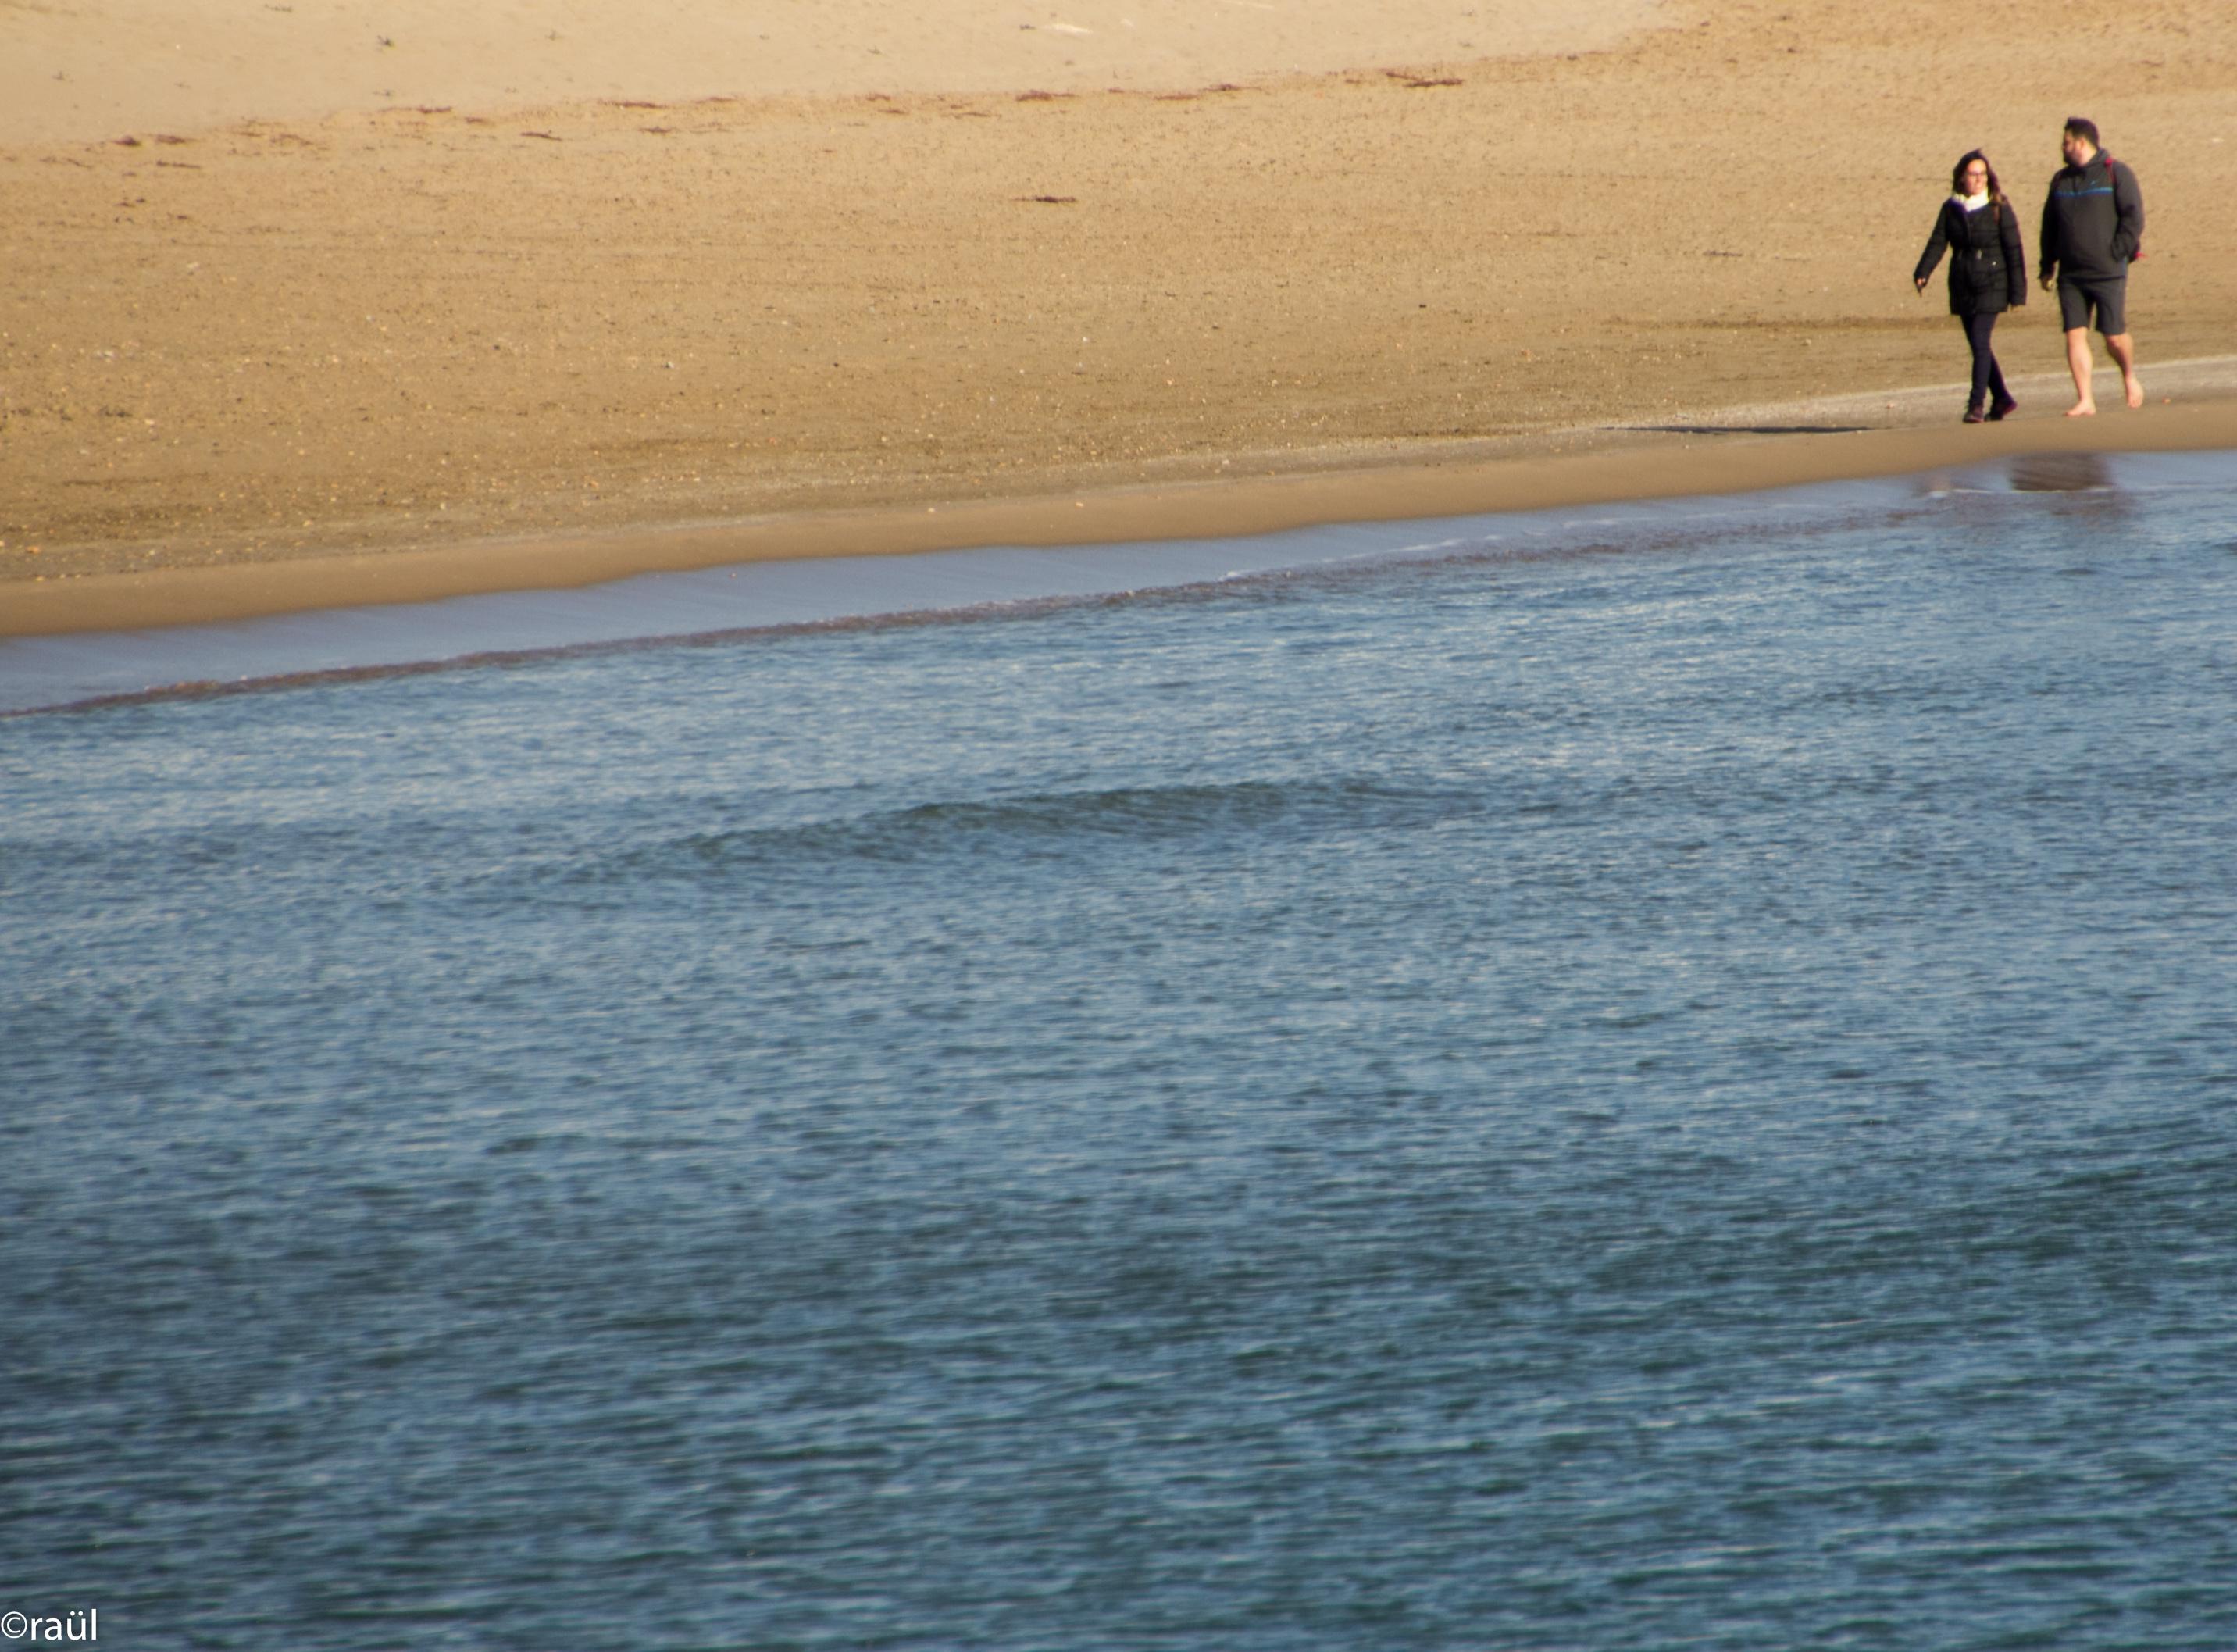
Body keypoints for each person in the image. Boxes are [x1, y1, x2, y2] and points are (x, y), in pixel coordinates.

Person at [2038, 116, 2145, 416]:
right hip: (2071, 275)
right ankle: (2086, 398)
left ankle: (2128, 375)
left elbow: (2133, 217)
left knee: (2113, 336)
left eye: (2066, 142)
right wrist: (2047, 265)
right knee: (2075, 333)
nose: (2062, 147)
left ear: (2081, 143)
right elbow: (2049, 226)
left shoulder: (2116, 173)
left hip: (2108, 271)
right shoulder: (2061, 180)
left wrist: (2117, 252)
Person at [1914, 150, 2027, 423]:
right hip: (1963, 282)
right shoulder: (1951, 208)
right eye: (1973, 174)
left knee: (1979, 341)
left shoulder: (1999, 206)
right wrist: (1923, 272)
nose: (1978, 179)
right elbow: (1938, 241)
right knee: (1979, 346)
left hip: (1993, 282)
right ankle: (2002, 398)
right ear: (1961, 177)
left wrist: (2017, 293)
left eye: (1983, 174)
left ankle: (1976, 404)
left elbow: (2014, 250)